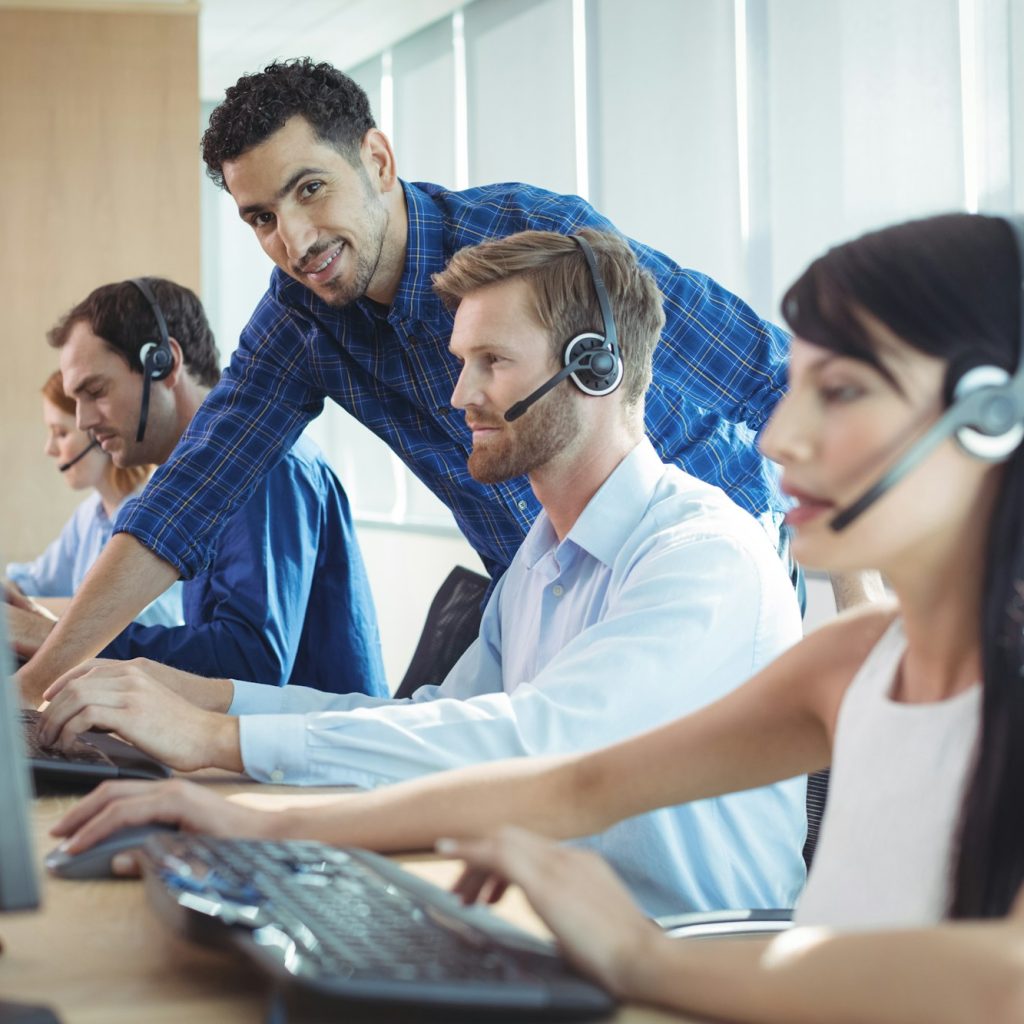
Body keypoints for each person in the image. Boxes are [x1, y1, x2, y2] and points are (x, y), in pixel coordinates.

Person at [48, 213, 1024, 1023]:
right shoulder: (847, 656)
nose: (777, 434)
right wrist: (243, 806)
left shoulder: (707, 555)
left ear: (990, 416)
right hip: (617, 952)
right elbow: (566, 779)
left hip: (685, 964)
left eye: (840, 390)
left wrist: (642, 959)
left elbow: (1002, 980)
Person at [16, 57, 882, 699]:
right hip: (536, 579)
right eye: (262, 219)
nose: (294, 240)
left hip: (692, 554)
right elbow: (187, 498)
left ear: (379, 162)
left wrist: (858, 594)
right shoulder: (300, 317)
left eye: (311, 190)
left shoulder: (533, 240)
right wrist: (39, 686)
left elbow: (766, 372)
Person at [40, 229, 806, 918]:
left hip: (689, 954)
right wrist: (206, 700)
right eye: (461, 362)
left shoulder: (704, 557)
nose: (458, 395)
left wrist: (221, 741)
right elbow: (436, 717)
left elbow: (539, 744)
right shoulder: (540, 558)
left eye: (492, 363)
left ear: (594, 368)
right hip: (558, 934)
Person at [14, 278, 385, 702]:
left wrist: (58, 640)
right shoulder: (183, 485)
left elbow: (250, 664)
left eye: (95, 391)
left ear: (165, 364)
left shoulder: (262, 461)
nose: (82, 421)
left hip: (307, 758)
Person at [3, 370, 183, 635]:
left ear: (98, 436)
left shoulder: (151, 513)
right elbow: (33, 582)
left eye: (61, 433)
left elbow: (106, 614)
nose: (49, 449)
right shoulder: (89, 515)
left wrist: (19, 611)